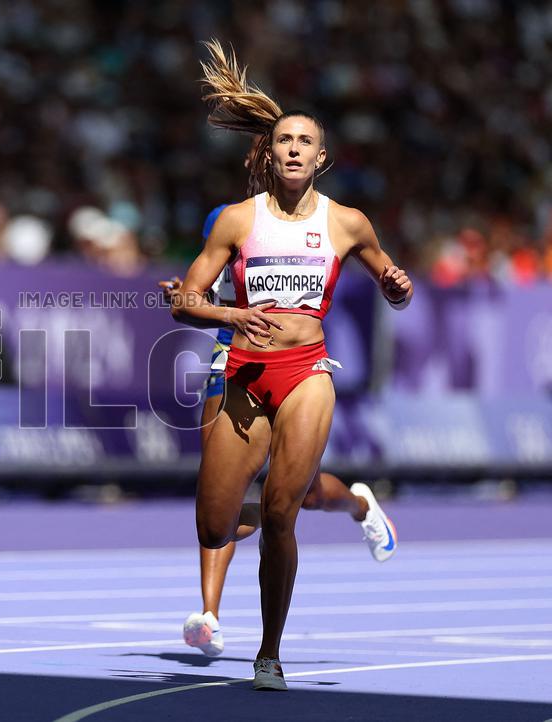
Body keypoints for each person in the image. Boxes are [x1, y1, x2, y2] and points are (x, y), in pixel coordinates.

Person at [170, 41, 412, 690]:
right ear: (270, 155)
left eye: (307, 140)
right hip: (244, 374)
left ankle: (269, 652)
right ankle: (357, 502)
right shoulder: (236, 222)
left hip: (307, 373)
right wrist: (227, 317)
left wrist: (395, 286)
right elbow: (187, 303)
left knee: (280, 512)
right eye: (285, 141)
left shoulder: (348, 223)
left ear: (322, 157)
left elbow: (388, 274)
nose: (296, 149)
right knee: (215, 523)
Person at [161, 200, 396, 660]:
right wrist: (196, 300)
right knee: (219, 496)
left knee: (296, 498)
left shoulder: (318, 218)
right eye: (266, 150)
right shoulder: (229, 218)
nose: (267, 159)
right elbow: (205, 291)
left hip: (295, 364)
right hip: (231, 357)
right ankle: (210, 613)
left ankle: (358, 502)